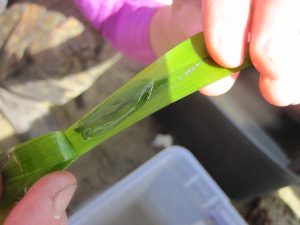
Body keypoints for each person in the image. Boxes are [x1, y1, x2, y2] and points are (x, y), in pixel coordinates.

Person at [2, 0, 299, 224]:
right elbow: (112, 11)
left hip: (124, 23)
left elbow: (124, 17)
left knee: (67, 80)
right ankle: (18, 102)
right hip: (55, 20)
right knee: (31, 71)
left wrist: (167, 27)